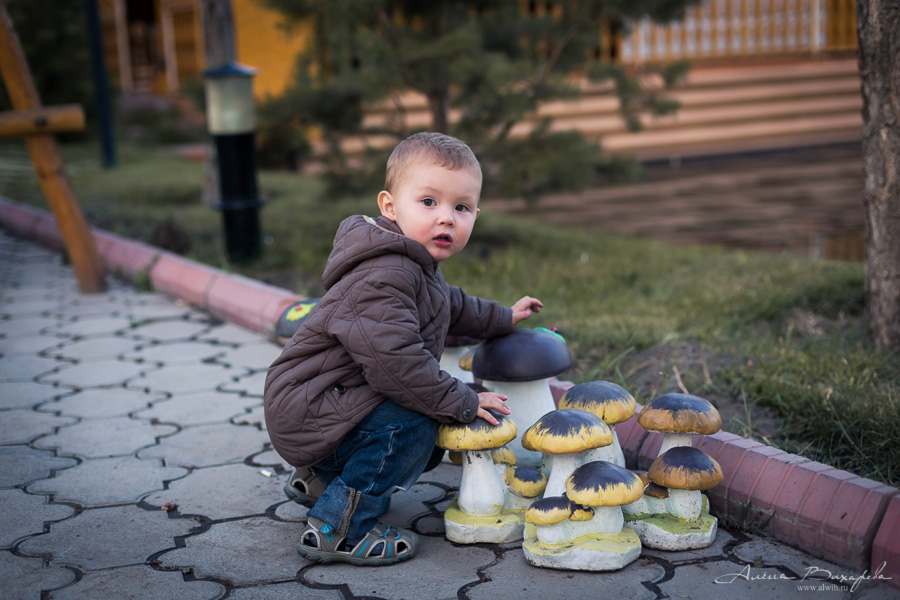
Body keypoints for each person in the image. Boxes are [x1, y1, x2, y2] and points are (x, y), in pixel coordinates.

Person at [264, 132, 543, 566]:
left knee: (423, 415)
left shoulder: (413, 264)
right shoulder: (385, 273)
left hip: (327, 402)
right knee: (415, 423)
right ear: (390, 206)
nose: (446, 218)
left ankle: (321, 479)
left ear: (475, 215)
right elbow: (398, 367)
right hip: (313, 409)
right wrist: (463, 400)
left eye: (461, 207)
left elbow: (452, 306)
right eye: (429, 202)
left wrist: (503, 317)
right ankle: (340, 528)